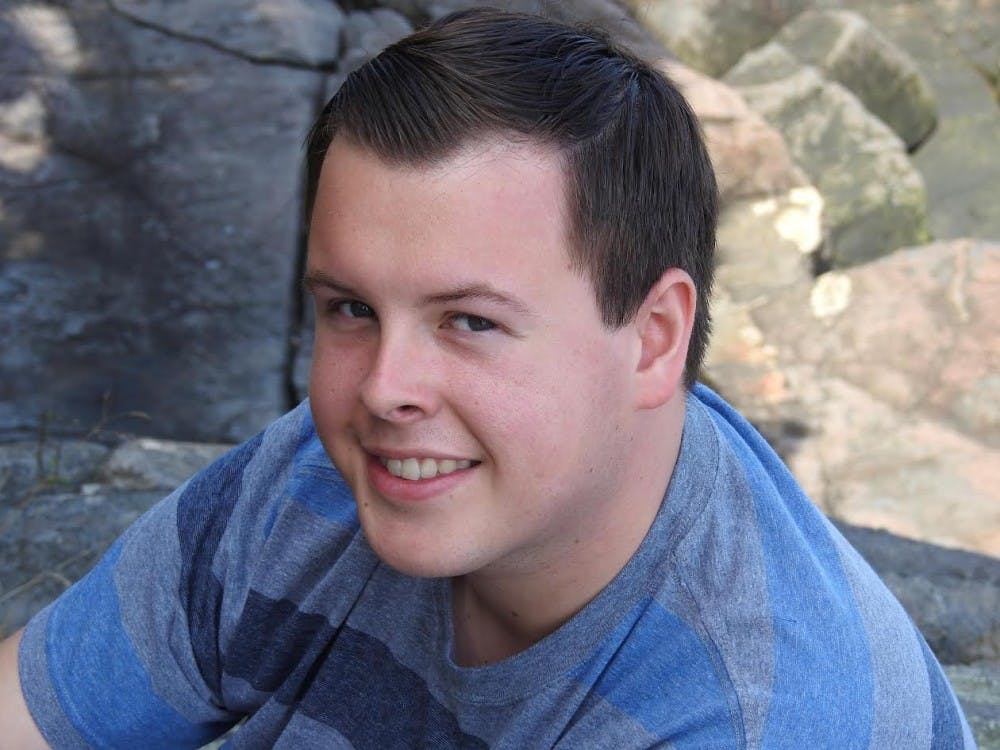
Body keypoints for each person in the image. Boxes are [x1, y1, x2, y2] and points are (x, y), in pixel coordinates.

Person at [0, 8, 976, 748]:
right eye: (351, 308)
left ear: (653, 339)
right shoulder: (314, 480)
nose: (384, 388)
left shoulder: (759, 715)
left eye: (469, 321)